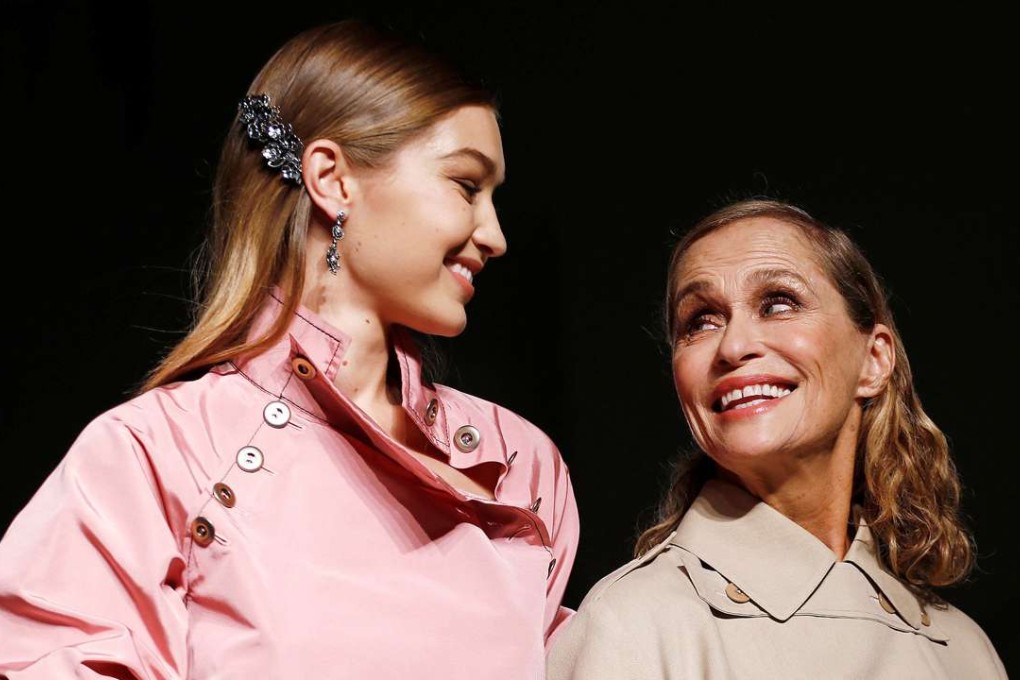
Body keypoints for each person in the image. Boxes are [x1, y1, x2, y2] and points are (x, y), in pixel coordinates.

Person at [0, 19, 578, 679]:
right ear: (332, 179)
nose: (496, 234)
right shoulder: (156, 454)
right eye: (467, 185)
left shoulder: (519, 464)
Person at [546, 198, 1005, 679]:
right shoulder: (634, 624)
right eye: (701, 320)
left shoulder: (963, 649)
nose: (734, 346)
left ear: (873, 360)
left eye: (778, 304)